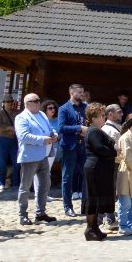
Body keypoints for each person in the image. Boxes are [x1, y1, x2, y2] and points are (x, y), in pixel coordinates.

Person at [15, 92, 58, 226]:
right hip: (30, 157)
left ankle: (41, 213)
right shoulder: (21, 118)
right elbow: (24, 136)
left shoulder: (42, 114)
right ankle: (22, 214)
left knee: (45, 184)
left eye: (39, 100)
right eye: (36, 101)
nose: (39, 102)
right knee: (25, 187)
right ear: (27, 104)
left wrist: (54, 135)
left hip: (44, 155)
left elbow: (50, 128)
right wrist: (43, 140)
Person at [81, 103, 116, 241]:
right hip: (95, 168)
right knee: (93, 198)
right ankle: (90, 229)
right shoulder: (93, 131)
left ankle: (95, 227)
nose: (104, 118)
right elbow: (99, 148)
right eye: (102, 115)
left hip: (100, 168)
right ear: (94, 118)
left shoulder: (96, 130)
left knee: (97, 198)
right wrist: (114, 151)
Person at [57, 83, 88, 217]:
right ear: (71, 93)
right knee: (67, 177)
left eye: (83, 91)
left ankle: (86, 206)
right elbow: (61, 128)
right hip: (70, 147)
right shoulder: (64, 109)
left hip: (84, 147)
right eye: (79, 92)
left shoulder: (85, 107)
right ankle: (68, 207)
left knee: (87, 176)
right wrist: (79, 129)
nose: (82, 94)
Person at [0, 98, 20, 193]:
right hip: (2, 139)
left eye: (11, 101)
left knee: (16, 162)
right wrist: (9, 128)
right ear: (3, 103)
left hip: (13, 139)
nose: (10, 103)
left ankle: (15, 183)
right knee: (2, 162)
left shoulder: (15, 113)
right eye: (7, 101)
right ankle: (0, 183)